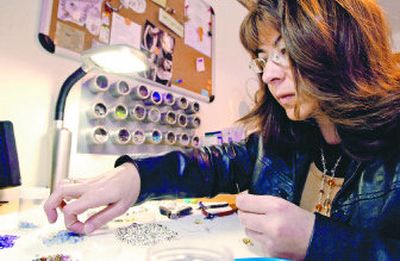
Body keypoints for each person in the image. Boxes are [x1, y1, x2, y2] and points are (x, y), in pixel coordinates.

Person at [44, 0, 400, 260]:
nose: (268, 74)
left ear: (344, 47)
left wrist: (319, 241)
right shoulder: (285, 138)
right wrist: (135, 177)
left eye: (285, 51)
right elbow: (214, 163)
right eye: (262, 59)